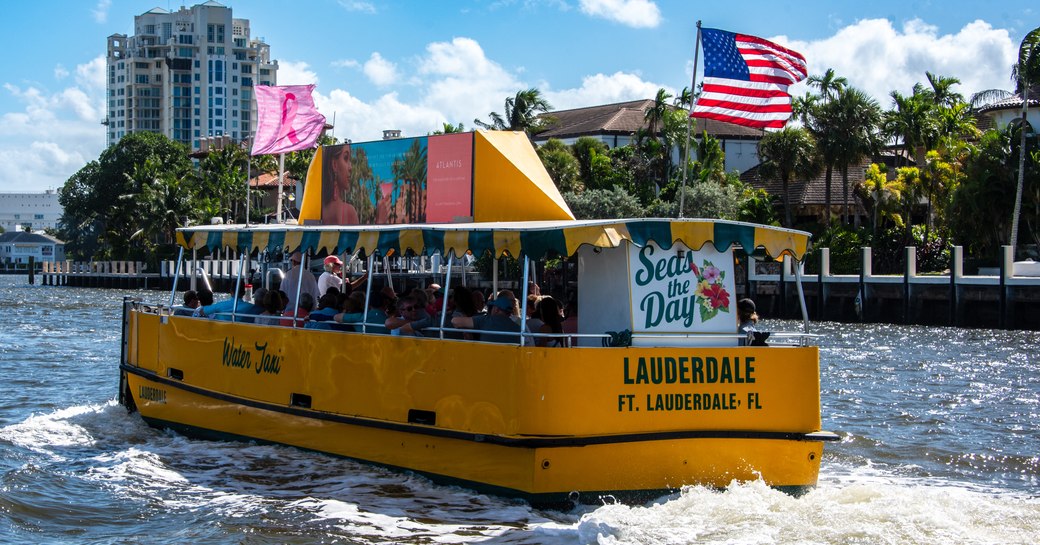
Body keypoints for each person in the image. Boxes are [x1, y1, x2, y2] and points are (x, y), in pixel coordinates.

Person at [451, 296, 521, 344]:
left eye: (492, 307)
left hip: (486, 360)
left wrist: (464, 317)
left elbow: (455, 321)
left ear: (496, 309)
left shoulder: (485, 320)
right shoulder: (517, 327)